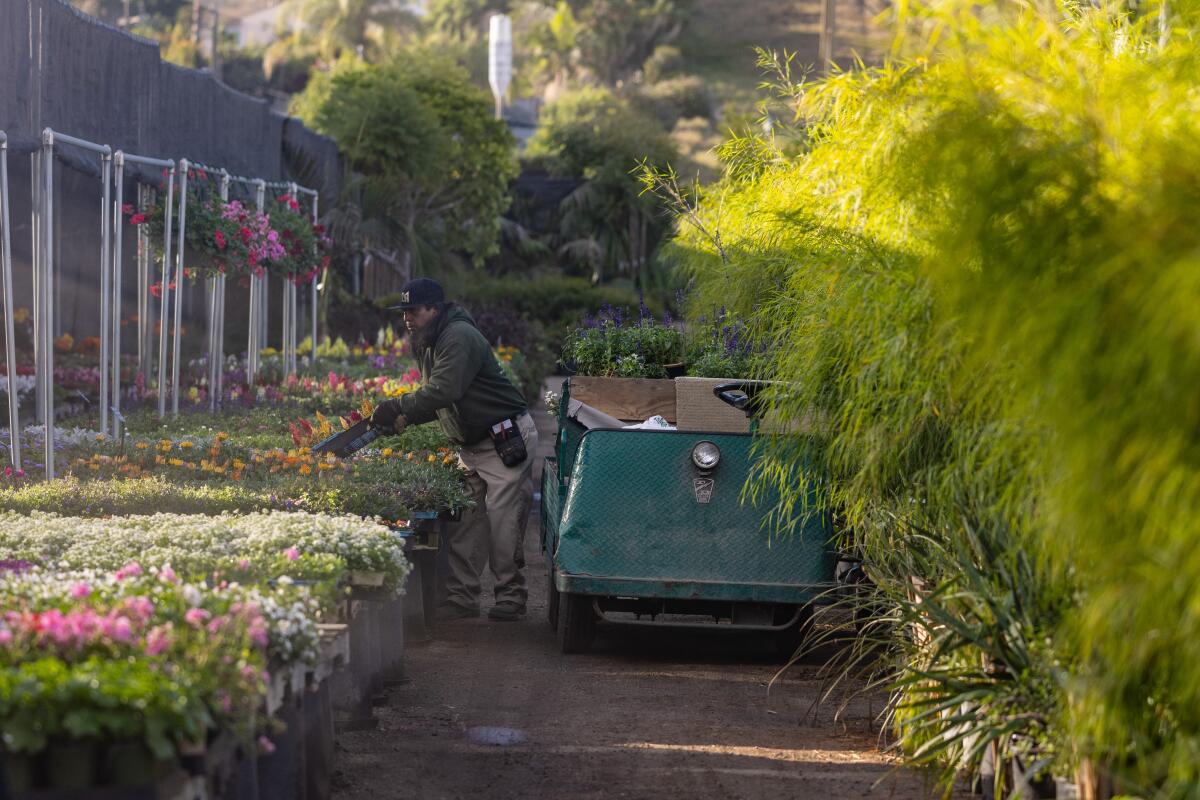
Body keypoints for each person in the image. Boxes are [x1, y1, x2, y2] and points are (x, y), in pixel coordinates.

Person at [370, 278, 538, 622]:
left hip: (503, 439)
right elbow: (442, 399)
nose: (407, 318)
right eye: (403, 312)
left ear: (434, 308)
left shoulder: (457, 336)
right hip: (472, 443)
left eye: (413, 310)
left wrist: (398, 405)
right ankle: (463, 596)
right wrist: (405, 418)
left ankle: (511, 596)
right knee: (465, 523)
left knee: (502, 522)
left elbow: (445, 389)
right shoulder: (430, 339)